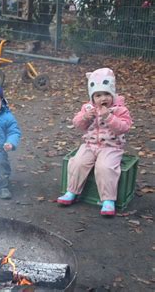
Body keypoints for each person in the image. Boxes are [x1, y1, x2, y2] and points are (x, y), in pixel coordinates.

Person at [57, 68, 132, 216]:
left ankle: (108, 200)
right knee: (77, 162)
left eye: (106, 94)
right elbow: (77, 124)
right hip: (90, 144)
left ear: (112, 94)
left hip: (111, 146)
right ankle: (72, 191)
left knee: (105, 167)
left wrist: (109, 118)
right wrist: (85, 117)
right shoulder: (87, 108)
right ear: (92, 97)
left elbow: (124, 127)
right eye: (98, 95)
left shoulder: (120, 110)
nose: (102, 98)